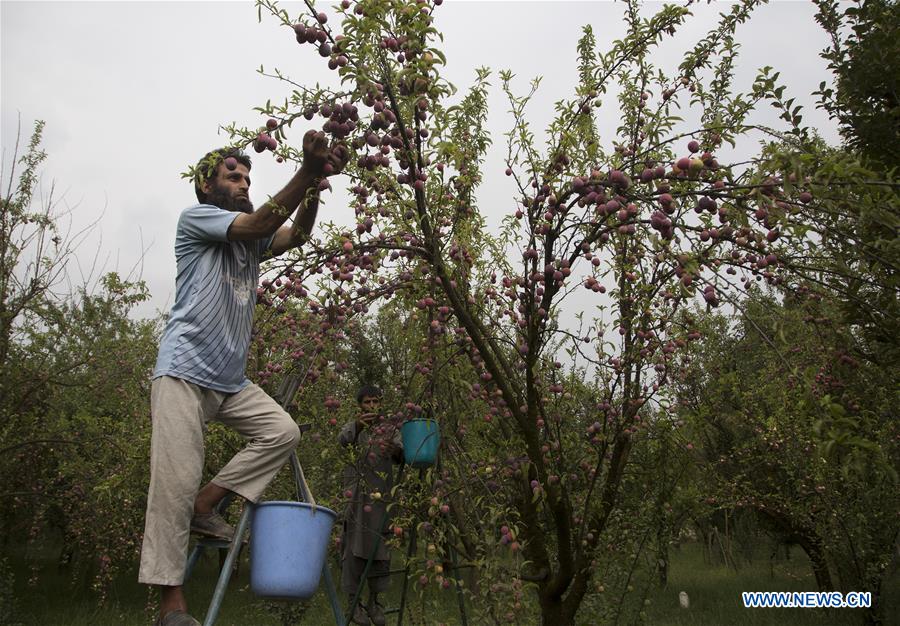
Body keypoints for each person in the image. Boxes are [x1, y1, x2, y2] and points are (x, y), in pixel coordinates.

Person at [139, 130, 348, 626]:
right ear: (207, 188)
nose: (244, 181)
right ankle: (173, 607)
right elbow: (258, 223)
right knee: (173, 483)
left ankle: (207, 503)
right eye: (233, 176)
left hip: (229, 380)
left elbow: (294, 235)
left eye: (248, 176)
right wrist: (307, 170)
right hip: (184, 371)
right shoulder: (198, 220)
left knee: (282, 431)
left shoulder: (250, 245)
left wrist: (315, 185)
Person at [339, 385, 403, 626]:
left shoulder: (389, 429)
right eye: (367, 402)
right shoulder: (353, 427)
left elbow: (403, 455)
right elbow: (342, 441)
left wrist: (394, 449)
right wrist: (357, 426)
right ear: (360, 405)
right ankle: (354, 605)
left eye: (376, 402)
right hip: (357, 500)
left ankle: (375, 602)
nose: (372, 407)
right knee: (353, 549)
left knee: (380, 550)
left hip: (381, 500)